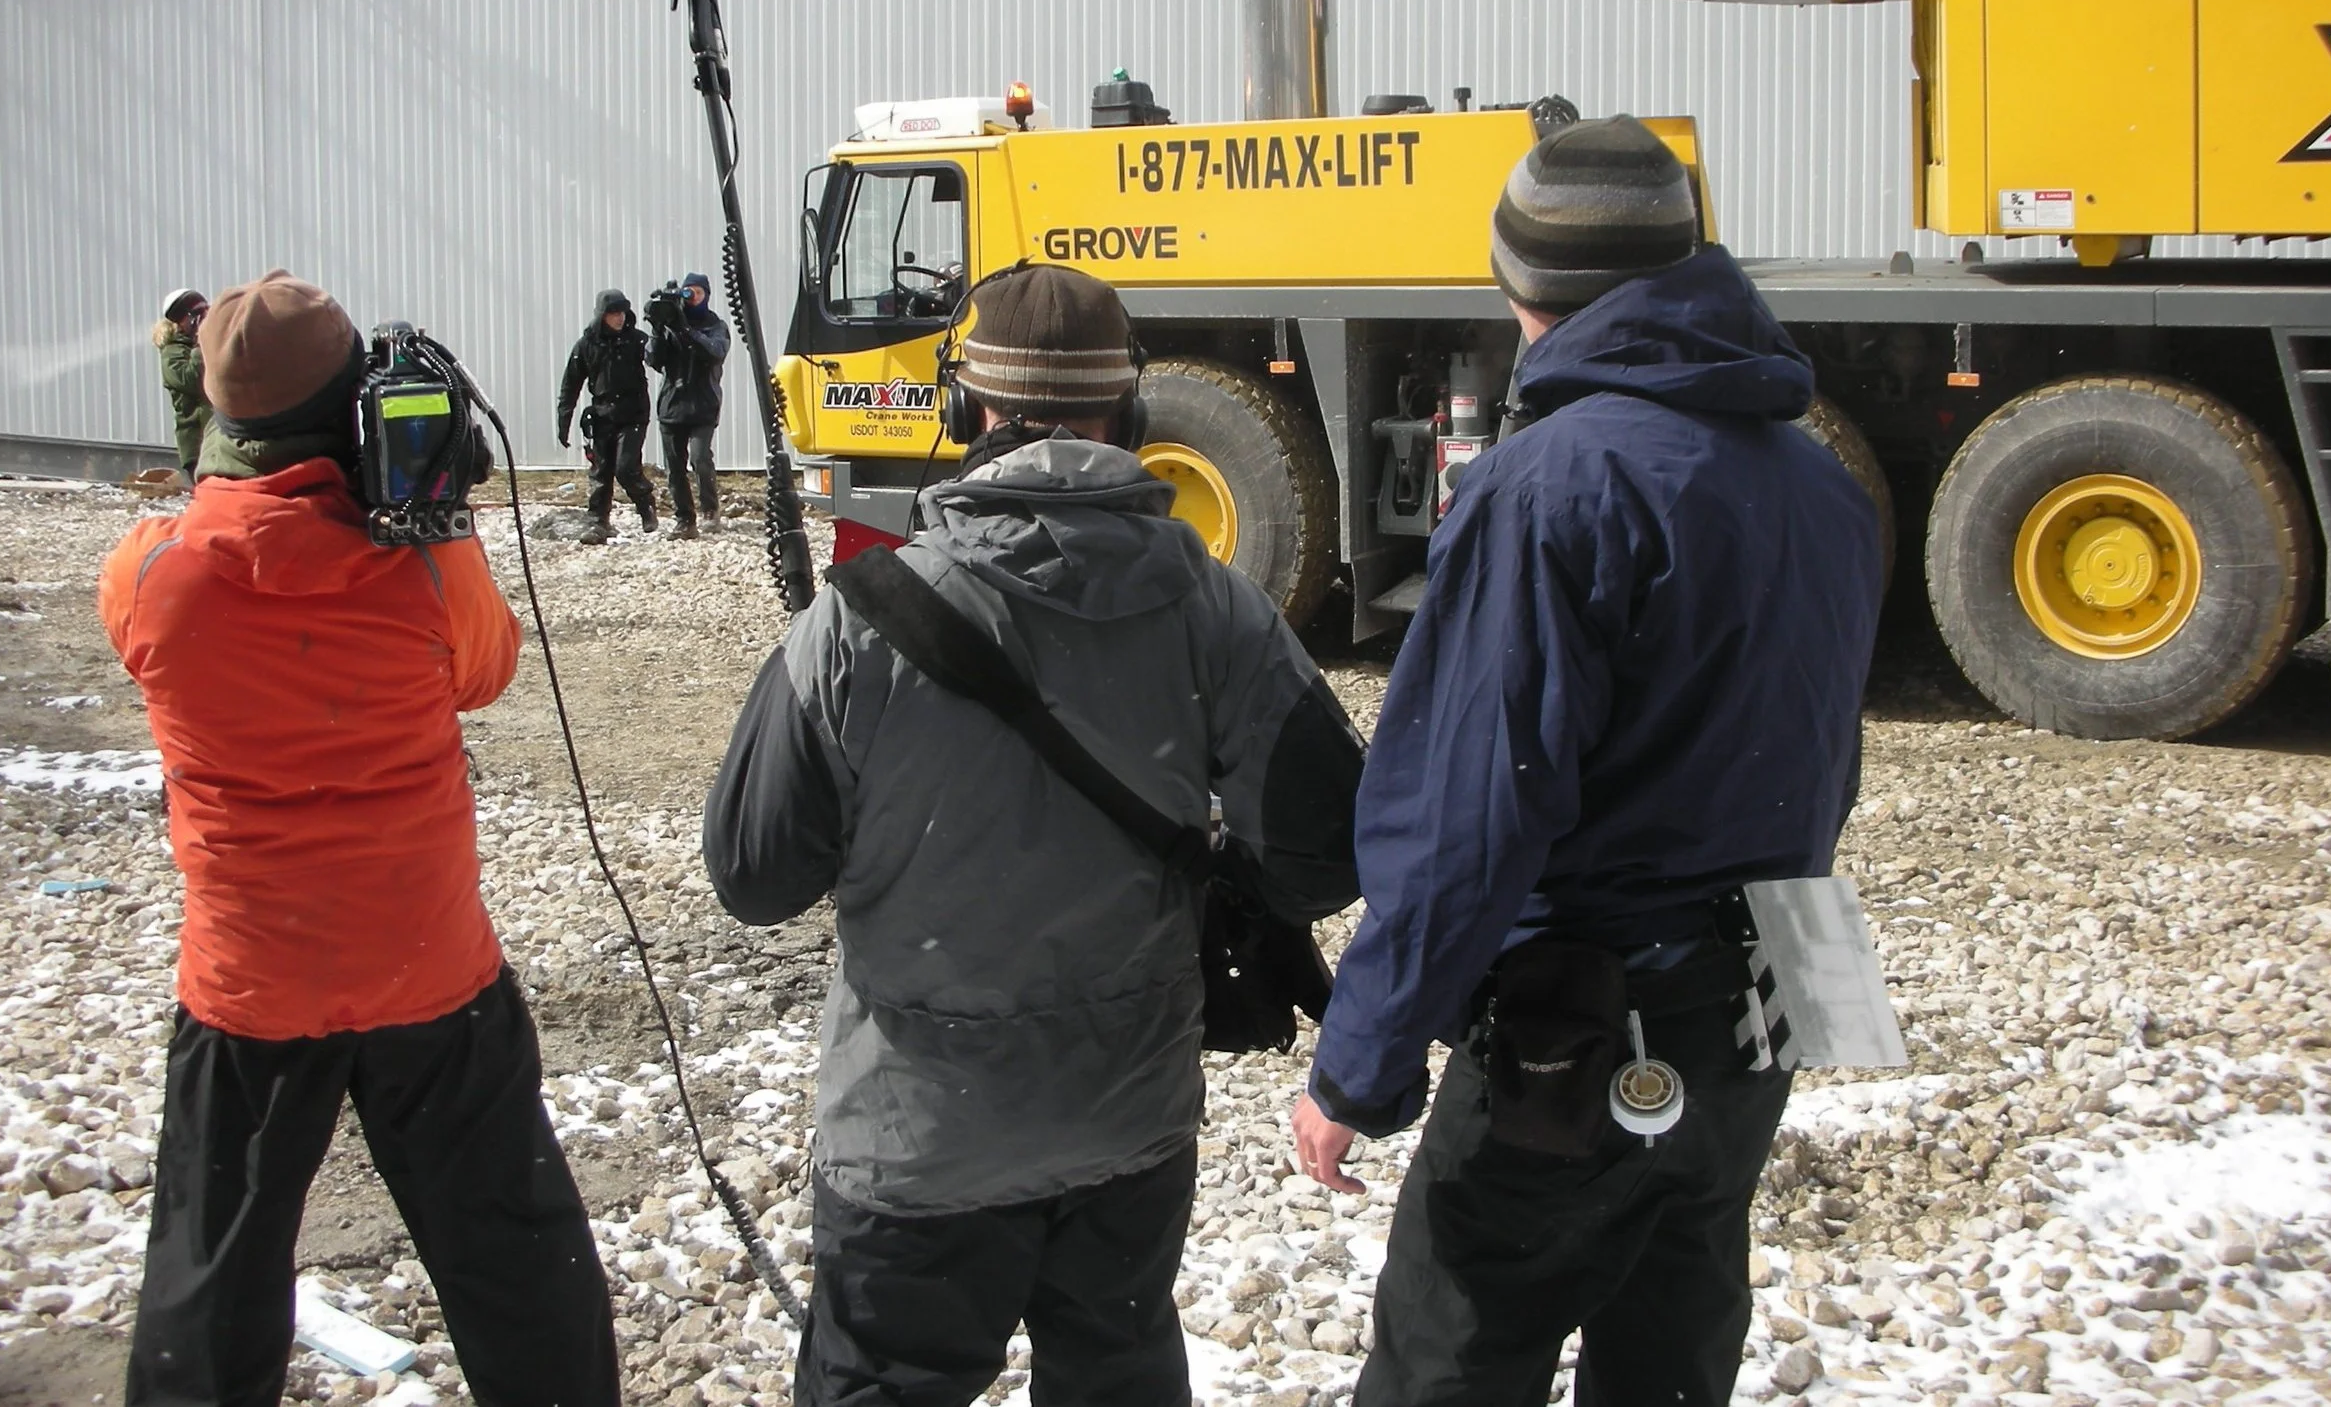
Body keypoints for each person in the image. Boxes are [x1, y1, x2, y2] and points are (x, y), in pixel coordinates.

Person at [1289, 116, 1883, 1407]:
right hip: (1774, 983)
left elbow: (1470, 817)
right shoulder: (1820, 481)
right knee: (1677, 1339)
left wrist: (1360, 1065)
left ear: (1520, 286)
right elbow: (1824, 761)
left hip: (1587, 1004)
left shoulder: (1547, 486)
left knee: (1454, 1352)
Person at [705, 263, 1364, 1407]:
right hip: (1129, 1126)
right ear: (1132, 413)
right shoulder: (1219, 609)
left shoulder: (856, 623)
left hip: (915, 1141)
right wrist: (1222, 876)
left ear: (963, 409)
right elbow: (1326, 852)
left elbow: (755, 878)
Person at [98, 270, 618, 1407]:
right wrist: (436, 517)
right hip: (424, 968)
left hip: (250, 979)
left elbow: (191, 567)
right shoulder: (421, 565)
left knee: (211, 1267)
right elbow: (486, 671)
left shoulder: (149, 574)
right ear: (357, 405)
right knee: (513, 1253)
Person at [556, 287, 656, 546]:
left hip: (634, 414)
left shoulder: (636, 340)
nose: (619, 318)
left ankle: (646, 505)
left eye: (622, 312)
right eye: (614, 313)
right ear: (602, 315)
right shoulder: (587, 345)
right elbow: (571, 384)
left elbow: (658, 358)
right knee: (601, 471)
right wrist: (564, 421)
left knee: (626, 467)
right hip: (602, 414)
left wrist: (660, 331)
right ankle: (598, 521)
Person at [646, 271, 731, 539]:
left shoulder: (715, 326)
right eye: (688, 291)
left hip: (703, 404)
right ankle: (684, 519)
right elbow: (654, 360)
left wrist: (686, 330)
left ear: (707, 295)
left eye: (698, 292)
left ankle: (710, 509)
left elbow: (715, 352)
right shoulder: (671, 326)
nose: (692, 297)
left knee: (700, 458)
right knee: (674, 466)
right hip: (673, 405)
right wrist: (658, 329)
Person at [151, 287, 211, 481]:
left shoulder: (204, 346)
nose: (204, 319)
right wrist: (201, 344)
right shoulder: (172, 353)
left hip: (218, 440)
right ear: (181, 320)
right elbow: (192, 380)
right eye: (197, 314)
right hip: (197, 442)